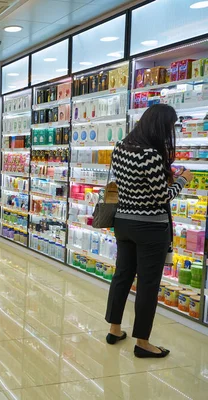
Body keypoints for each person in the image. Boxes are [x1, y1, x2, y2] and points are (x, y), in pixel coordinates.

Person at [104, 104, 192, 358]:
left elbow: (131, 185)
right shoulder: (151, 155)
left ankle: (114, 329)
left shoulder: (120, 148)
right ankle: (143, 343)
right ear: (161, 127)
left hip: (123, 223)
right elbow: (161, 197)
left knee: (122, 276)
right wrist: (183, 180)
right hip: (150, 227)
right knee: (147, 284)